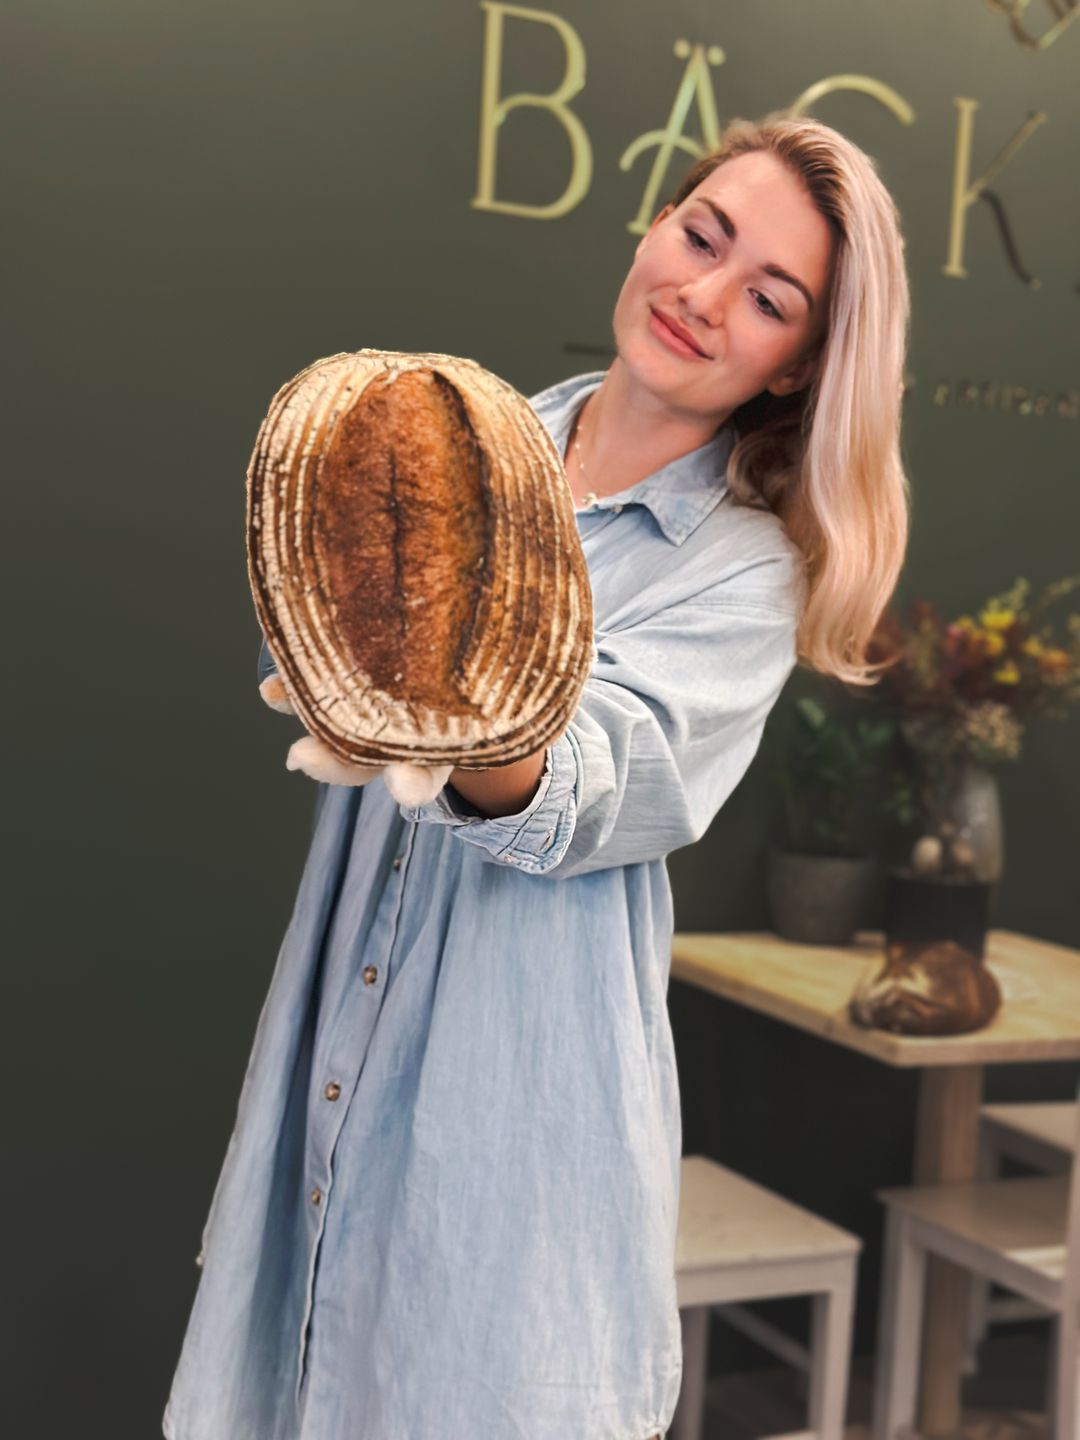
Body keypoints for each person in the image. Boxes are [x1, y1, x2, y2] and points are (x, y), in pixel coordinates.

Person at [163, 113, 910, 1440]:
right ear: (655, 222)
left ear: (800, 367)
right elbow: (329, 665)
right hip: (329, 1077)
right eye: (703, 234)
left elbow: (586, 789)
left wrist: (441, 674)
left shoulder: (741, 572)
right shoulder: (465, 433)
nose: (702, 294)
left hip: (516, 1149)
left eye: (770, 297)